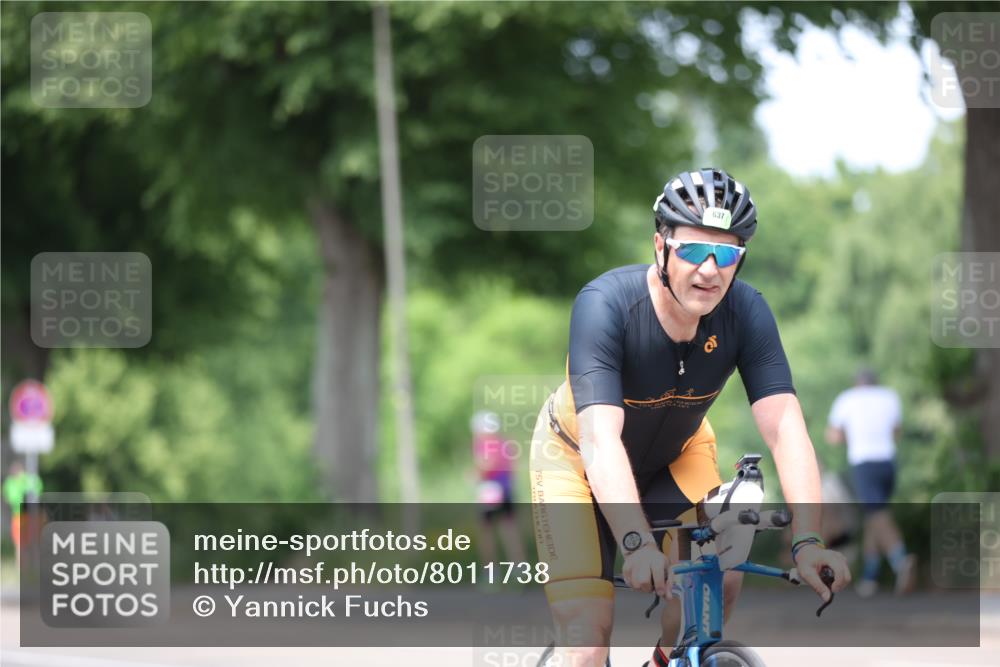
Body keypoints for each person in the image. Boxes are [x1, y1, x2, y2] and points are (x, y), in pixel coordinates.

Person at [530, 168, 850, 667]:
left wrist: (808, 540)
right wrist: (635, 542)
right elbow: (599, 440)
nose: (709, 269)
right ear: (660, 246)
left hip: (677, 455)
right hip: (575, 462)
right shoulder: (605, 306)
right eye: (693, 250)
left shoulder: (746, 312)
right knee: (587, 640)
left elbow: (786, 429)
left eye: (726, 254)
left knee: (717, 583)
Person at [826, 369, 916, 597]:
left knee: (877, 515)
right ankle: (870, 577)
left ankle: (900, 559)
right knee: (874, 515)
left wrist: (852, 436)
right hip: (887, 462)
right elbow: (896, 431)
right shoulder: (890, 396)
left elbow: (833, 437)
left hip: (864, 463)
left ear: (857, 383)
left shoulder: (847, 398)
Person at [472, 410, 527, 573]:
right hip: (507, 488)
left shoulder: (484, 444)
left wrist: (475, 473)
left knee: (486, 531)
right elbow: (513, 468)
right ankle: (519, 569)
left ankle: (490, 572)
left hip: (490, 489)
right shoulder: (505, 443)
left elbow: (487, 464)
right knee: (509, 529)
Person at [3, 461, 44, 566]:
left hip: (27, 515)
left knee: (28, 541)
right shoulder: (11, 483)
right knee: (21, 542)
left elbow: (38, 486)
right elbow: (12, 498)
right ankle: (23, 565)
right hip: (20, 516)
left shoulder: (25, 480)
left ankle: (31, 564)